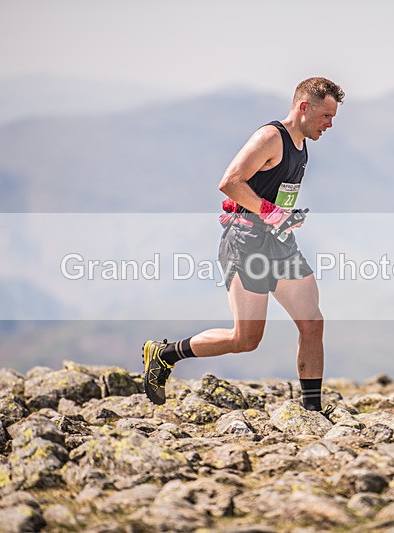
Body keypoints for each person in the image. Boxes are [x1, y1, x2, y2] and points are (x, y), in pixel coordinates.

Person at [142, 77, 344, 414]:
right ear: (303, 108)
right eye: (326, 116)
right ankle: (165, 354)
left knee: (312, 323)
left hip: (280, 243)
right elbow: (230, 182)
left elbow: (270, 195)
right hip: (246, 244)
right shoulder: (270, 138)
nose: (330, 124)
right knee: (245, 340)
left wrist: (285, 216)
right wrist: (270, 212)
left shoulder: (301, 143)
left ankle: (311, 413)